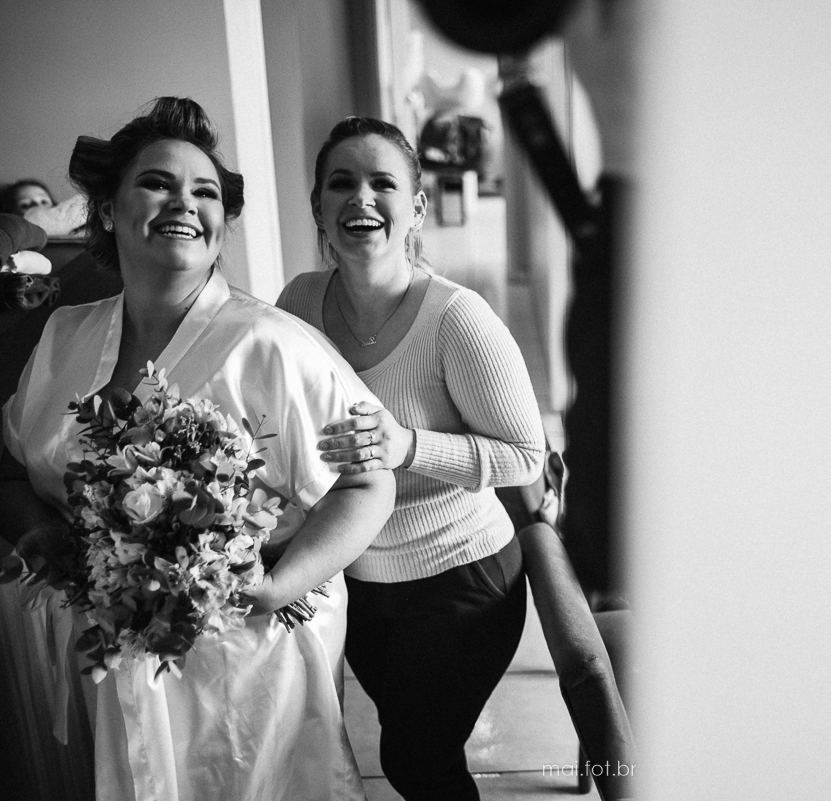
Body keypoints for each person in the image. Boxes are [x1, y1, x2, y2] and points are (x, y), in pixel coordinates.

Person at [0, 97, 395, 800]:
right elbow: (12, 477)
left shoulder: (271, 344)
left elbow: (369, 483)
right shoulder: (63, 336)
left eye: (205, 192)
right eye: (157, 183)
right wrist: (46, 539)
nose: (184, 202)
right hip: (96, 660)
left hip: (243, 669)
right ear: (108, 210)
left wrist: (277, 586)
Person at [276, 116, 545, 801]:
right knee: (412, 748)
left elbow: (525, 456)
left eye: (382, 183)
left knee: (415, 760)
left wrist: (409, 445)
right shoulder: (299, 302)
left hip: (460, 576)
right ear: (318, 208)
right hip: (357, 576)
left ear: (417, 208)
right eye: (341, 183)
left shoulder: (458, 319)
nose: (360, 197)